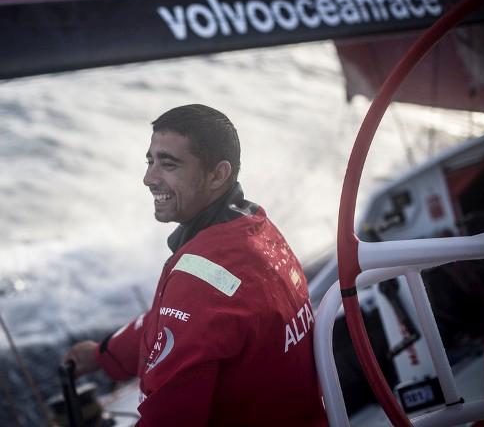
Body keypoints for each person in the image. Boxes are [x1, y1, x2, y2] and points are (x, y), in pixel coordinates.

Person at [65, 104, 327, 426]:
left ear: (218, 174)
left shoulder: (197, 282)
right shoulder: (258, 228)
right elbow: (195, 324)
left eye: (168, 164)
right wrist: (107, 354)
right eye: (150, 161)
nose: (149, 178)